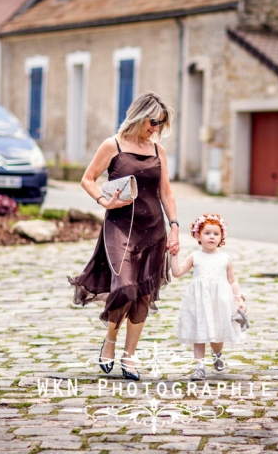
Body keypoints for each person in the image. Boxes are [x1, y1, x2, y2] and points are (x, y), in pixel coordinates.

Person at [68, 91, 180, 381]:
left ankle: (129, 358)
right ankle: (110, 341)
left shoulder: (158, 151)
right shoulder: (113, 145)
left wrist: (175, 226)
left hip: (153, 229)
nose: (156, 129)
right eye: (153, 122)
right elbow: (88, 179)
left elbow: (165, 192)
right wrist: (104, 201)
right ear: (140, 116)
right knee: (125, 287)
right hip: (120, 227)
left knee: (142, 295)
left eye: (161, 124)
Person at [170, 213, 247, 381]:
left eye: (216, 234)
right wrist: (173, 254)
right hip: (199, 301)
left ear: (221, 237)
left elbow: (232, 280)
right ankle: (199, 367)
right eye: (207, 233)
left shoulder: (225, 258)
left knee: (218, 335)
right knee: (200, 333)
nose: (212, 237)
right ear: (197, 235)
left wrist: (239, 299)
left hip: (220, 302)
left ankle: (217, 353)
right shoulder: (195, 257)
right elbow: (177, 272)